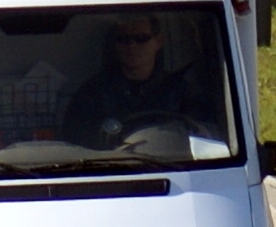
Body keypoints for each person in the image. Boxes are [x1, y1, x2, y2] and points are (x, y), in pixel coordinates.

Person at [59, 13, 219, 155]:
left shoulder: (183, 91)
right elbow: (76, 147)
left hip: (175, 168)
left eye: (141, 38)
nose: (132, 46)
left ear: (158, 41)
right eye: (123, 39)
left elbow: (207, 141)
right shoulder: (92, 94)